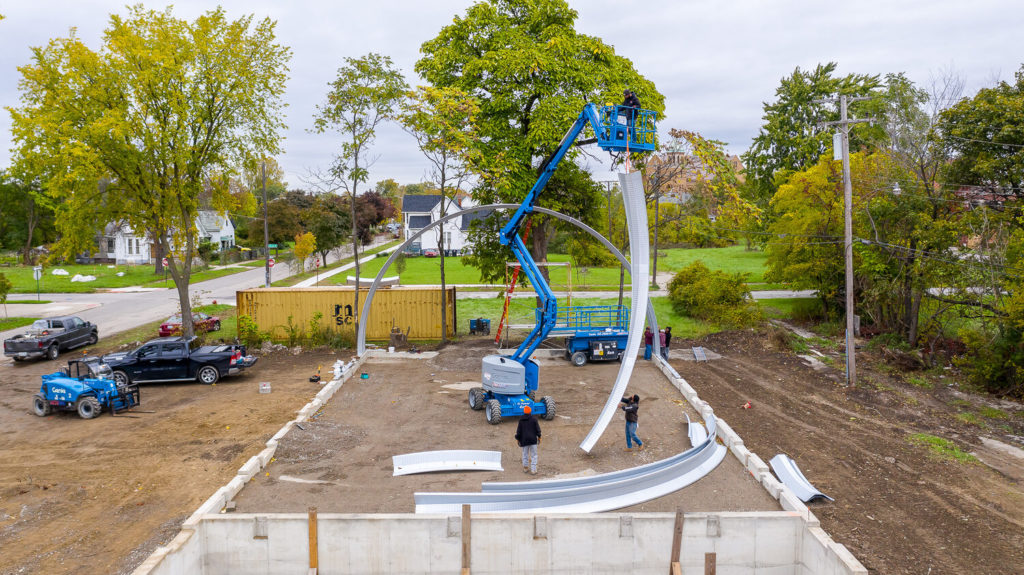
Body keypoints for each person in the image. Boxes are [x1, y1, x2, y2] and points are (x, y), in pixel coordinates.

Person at [515, 404, 542, 474]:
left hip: (524, 441)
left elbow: (519, 431)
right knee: (534, 455)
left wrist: (517, 438)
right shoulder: (534, 419)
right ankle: (533, 470)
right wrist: (539, 437)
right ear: (530, 411)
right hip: (533, 440)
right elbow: (538, 429)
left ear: (524, 412)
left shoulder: (521, 420)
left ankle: (525, 468)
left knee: (525, 454)